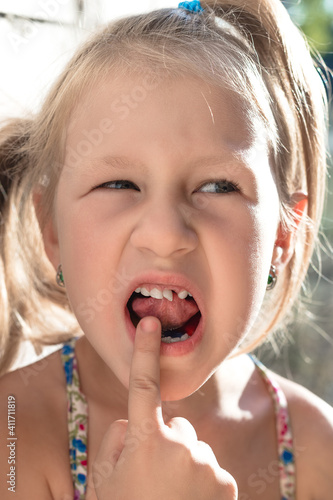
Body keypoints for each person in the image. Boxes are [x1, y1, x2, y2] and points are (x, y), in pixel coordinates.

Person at [0, 0, 332, 498]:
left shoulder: (318, 449)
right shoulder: (12, 435)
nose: (165, 233)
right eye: (119, 183)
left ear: (284, 236)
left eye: (218, 186)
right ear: (52, 230)